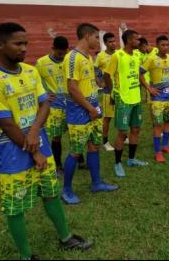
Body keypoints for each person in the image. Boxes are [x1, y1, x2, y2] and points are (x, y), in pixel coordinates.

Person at [0, 22, 92, 260]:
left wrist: (34, 134)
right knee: (15, 206)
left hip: (39, 143)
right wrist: (32, 149)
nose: (23, 48)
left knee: (51, 192)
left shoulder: (31, 71)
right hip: (12, 153)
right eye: (17, 43)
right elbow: (5, 122)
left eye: (26, 43)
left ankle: (65, 238)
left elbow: (44, 103)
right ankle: (25, 256)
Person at [61, 23, 119, 205]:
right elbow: (72, 88)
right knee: (76, 152)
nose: (97, 41)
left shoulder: (88, 57)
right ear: (87, 36)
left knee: (94, 146)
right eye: (96, 37)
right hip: (80, 111)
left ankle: (96, 183)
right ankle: (67, 190)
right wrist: (90, 108)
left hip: (93, 107)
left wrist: (98, 87)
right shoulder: (72, 57)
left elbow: (89, 81)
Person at [104, 29, 148, 178]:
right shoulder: (117, 56)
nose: (139, 42)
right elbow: (107, 75)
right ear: (129, 40)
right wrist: (112, 93)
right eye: (136, 40)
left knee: (135, 129)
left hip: (136, 98)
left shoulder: (137, 55)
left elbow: (139, 73)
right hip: (123, 99)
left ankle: (131, 159)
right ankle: (117, 163)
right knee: (123, 132)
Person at [139, 35, 169, 163]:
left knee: (168, 122)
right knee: (157, 124)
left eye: (167, 45)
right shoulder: (151, 59)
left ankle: (165, 146)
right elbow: (140, 74)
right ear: (157, 45)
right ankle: (158, 152)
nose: (165, 47)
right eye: (163, 45)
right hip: (157, 98)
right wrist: (149, 88)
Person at [35, 36, 69, 177]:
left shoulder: (69, 60)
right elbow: (34, 82)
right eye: (59, 53)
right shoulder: (41, 63)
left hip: (71, 104)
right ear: (52, 48)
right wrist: (42, 94)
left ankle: (80, 160)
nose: (61, 56)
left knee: (75, 132)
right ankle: (58, 165)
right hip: (54, 106)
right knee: (56, 137)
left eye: (64, 52)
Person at [94, 32, 118, 151]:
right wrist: (100, 82)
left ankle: (123, 137)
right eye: (110, 41)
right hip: (108, 91)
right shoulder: (101, 56)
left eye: (114, 41)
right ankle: (105, 141)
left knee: (121, 114)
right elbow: (95, 69)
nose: (113, 43)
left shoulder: (119, 54)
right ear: (105, 43)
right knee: (108, 117)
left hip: (120, 90)